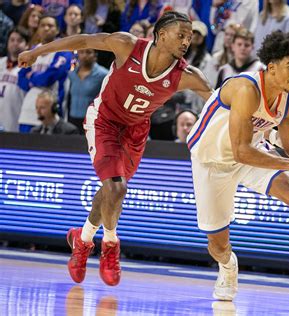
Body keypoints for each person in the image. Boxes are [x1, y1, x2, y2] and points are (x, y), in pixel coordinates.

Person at [18, 11, 213, 286]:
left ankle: (83, 239)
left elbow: (219, 103)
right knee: (117, 188)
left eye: (189, 37)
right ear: (160, 35)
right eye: (181, 35)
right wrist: (38, 51)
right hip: (105, 121)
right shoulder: (127, 45)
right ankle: (110, 245)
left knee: (112, 191)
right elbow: (84, 40)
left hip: (136, 131)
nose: (186, 42)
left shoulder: (187, 75)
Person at [187, 30, 289, 301]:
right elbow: (240, 151)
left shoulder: (288, 101)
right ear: (271, 67)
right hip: (211, 161)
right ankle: (228, 265)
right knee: (217, 244)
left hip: (252, 151)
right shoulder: (245, 89)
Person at [18, 15, 73, 133]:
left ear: (58, 30)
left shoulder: (63, 51)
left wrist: (32, 77)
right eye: (42, 25)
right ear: (38, 29)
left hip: (51, 112)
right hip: (27, 110)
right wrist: (37, 78)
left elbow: (49, 78)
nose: (46, 28)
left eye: (50, 25)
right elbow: (21, 79)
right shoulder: (31, 51)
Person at [67, 48, 108, 134]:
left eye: (88, 52)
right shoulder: (72, 74)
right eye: (81, 52)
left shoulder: (103, 74)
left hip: (92, 121)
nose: (84, 55)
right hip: (72, 118)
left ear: (95, 56)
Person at [0, 28, 29, 133]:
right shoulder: (1, 62)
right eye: (12, 40)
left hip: (15, 120)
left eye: (19, 40)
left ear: (27, 45)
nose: (15, 43)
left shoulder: (28, 68)